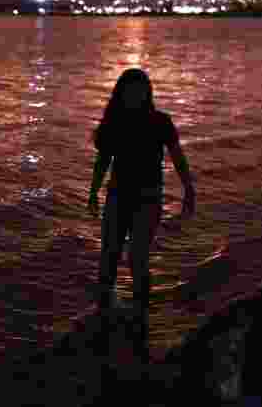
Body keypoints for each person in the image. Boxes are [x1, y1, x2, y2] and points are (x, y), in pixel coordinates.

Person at [87, 67, 197, 359]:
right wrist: (92, 193)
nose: (134, 95)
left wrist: (189, 191)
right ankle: (103, 311)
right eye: (129, 90)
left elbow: (178, 158)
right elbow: (102, 161)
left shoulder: (161, 122)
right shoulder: (114, 123)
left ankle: (140, 315)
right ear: (120, 93)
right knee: (109, 254)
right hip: (116, 197)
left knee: (137, 257)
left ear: (148, 93)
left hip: (148, 200)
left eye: (140, 90)